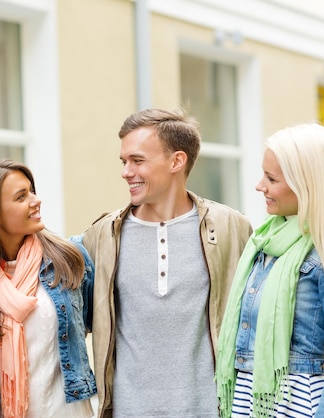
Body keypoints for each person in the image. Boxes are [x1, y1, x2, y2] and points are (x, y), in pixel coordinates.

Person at [78, 108, 253, 417]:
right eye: (124, 162)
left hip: (212, 411)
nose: (126, 172)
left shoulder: (232, 228)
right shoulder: (101, 236)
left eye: (137, 160)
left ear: (177, 161)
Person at [215, 123, 324, 417]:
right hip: (249, 404)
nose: (259, 185)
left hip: (297, 406)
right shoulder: (263, 243)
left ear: (307, 184)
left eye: (271, 178)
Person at [0, 159, 97, 418]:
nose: (36, 200)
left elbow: (90, 323)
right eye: (21, 197)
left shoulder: (68, 260)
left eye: (32, 190)